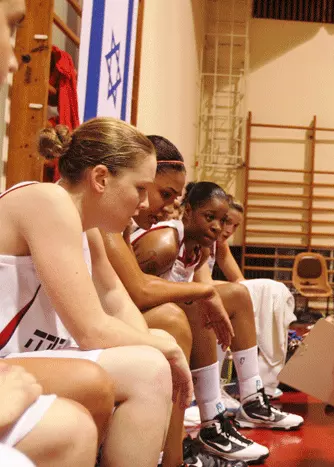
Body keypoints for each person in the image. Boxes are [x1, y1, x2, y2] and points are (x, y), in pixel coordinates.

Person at [0, 117, 194, 467]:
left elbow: (116, 301)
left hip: (20, 357)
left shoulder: (87, 227)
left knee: (152, 358)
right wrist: (164, 349)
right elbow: (91, 331)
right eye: (140, 188)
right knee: (148, 366)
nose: (146, 204)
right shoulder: (48, 201)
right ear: (101, 178)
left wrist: (156, 343)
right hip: (6, 364)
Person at [100, 136, 253, 467]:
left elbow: (130, 290)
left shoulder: (123, 223)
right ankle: (175, 454)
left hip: (91, 323)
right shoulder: (154, 237)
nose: (156, 204)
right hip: (61, 336)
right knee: (175, 317)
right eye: (160, 193)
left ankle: (224, 413)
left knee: (208, 303)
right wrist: (204, 292)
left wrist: (203, 293)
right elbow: (137, 290)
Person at [130, 182, 303, 459]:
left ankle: (252, 399)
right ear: (187, 212)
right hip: (136, 319)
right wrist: (203, 295)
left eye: (222, 221)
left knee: (237, 294)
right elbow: (132, 294)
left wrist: (208, 297)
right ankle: (211, 421)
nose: (217, 227)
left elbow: (204, 287)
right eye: (209, 217)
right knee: (197, 306)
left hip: (166, 314)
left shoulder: (202, 248)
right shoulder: (163, 243)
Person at [208, 194, 296, 397]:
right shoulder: (199, 237)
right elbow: (195, 283)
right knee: (272, 290)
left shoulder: (220, 244)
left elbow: (241, 283)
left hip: (209, 292)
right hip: (191, 296)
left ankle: (263, 382)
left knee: (272, 292)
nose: (229, 230)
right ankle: (259, 384)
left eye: (235, 226)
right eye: (227, 221)